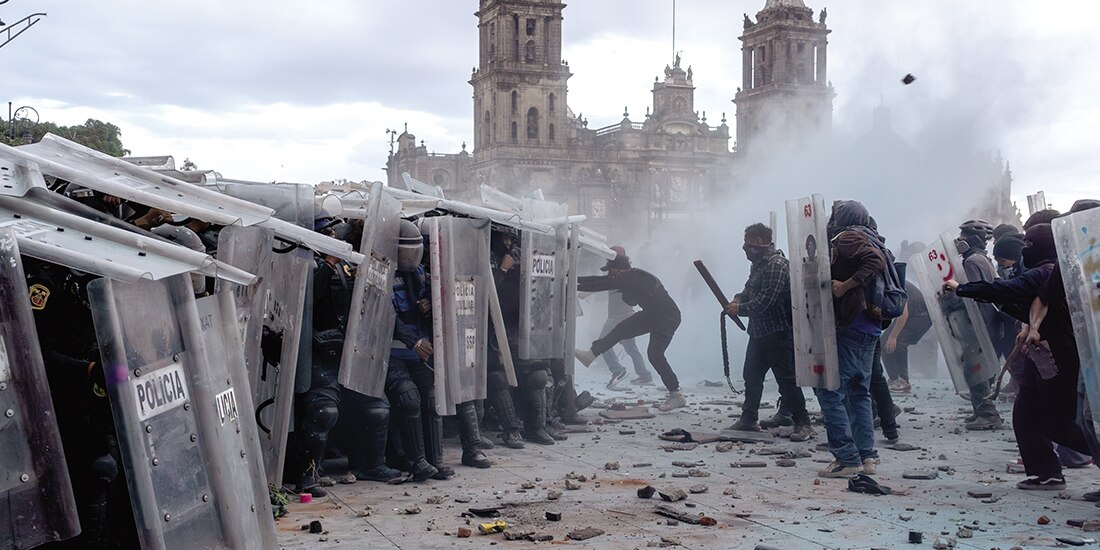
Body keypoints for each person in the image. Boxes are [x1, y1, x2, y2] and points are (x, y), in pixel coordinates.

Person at [947, 223, 1090, 490]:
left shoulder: (1046, 272)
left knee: (1058, 425)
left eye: (1028, 247)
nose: (1024, 252)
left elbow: (1008, 290)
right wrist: (1028, 325)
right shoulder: (1050, 271)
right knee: (1025, 415)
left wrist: (961, 288)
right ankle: (1046, 473)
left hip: (1060, 357)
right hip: (1042, 357)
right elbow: (1026, 303)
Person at [725, 223, 815, 442]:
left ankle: (803, 423)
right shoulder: (759, 264)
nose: (745, 249)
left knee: (786, 380)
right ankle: (749, 418)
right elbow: (750, 289)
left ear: (758, 242)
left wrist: (741, 309)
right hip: (759, 332)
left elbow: (767, 300)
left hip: (778, 332)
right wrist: (739, 298)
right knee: (752, 375)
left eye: (748, 243)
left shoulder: (776, 265)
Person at [816, 200, 885, 478]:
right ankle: (867, 456)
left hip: (852, 325)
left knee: (830, 390)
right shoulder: (873, 236)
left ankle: (846, 457)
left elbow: (875, 263)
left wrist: (845, 285)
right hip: (869, 326)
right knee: (859, 392)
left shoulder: (848, 237)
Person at [574, 250, 686, 412]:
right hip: (655, 314)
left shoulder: (629, 277)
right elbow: (604, 282)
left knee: (653, 354)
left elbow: (601, 283)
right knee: (625, 333)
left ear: (619, 269)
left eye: (611, 271)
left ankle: (676, 395)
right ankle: (591, 354)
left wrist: (571, 280)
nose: (610, 275)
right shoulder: (633, 276)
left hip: (664, 317)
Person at [486, 225, 557, 446]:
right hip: (493, 327)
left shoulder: (520, 254)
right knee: (498, 378)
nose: (507, 243)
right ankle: (511, 430)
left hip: (522, 326)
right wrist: (503, 271)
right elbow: (482, 294)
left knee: (537, 376)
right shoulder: (484, 255)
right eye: (504, 238)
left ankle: (536, 428)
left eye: (511, 239)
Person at [954, 219, 1006, 430]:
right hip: (989, 321)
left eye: (964, 236)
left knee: (975, 369)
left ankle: (987, 414)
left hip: (980, 322)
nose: (960, 240)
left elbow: (976, 292)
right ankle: (981, 410)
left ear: (972, 239)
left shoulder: (971, 261)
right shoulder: (983, 259)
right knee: (980, 368)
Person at [596, 246, 653, 388]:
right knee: (631, 348)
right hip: (625, 316)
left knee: (603, 343)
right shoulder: (624, 274)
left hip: (618, 317)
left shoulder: (620, 275)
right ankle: (644, 375)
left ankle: (617, 370)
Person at [882, 281, 932, 393]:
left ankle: (901, 381)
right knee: (884, 343)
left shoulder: (892, 282)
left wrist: (893, 336)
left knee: (897, 343)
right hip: (913, 315)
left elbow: (904, 313)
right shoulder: (890, 278)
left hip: (920, 317)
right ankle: (895, 379)